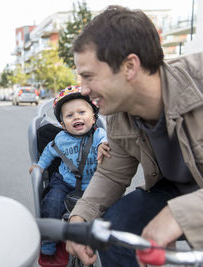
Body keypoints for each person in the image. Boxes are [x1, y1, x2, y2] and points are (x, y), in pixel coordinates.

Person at [65, 5, 203, 267]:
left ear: (129, 66)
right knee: (116, 230)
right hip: (174, 190)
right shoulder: (120, 113)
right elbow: (111, 173)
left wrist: (181, 214)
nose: (82, 90)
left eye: (89, 76)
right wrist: (79, 220)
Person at [29, 86, 110, 260]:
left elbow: (106, 141)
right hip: (64, 182)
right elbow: (48, 153)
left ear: (93, 116)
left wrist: (104, 146)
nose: (77, 117)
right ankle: (49, 241)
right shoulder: (60, 139)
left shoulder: (99, 135)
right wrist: (39, 166)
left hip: (94, 182)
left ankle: (104, 240)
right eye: (70, 115)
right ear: (62, 123)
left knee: (110, 207)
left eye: (82, 112)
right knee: (51, 203)